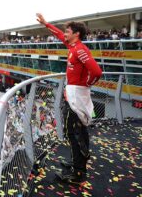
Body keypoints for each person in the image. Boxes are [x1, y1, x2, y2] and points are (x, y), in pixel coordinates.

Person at [36, 13, 102, 183]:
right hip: (73, 95)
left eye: (68, 31)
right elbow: (58, 34)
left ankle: (78, 174)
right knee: (74, 132)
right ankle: (76, 163)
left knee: (75, 134)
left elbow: (96, 72)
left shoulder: (80, 49)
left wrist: (85, 85)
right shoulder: (73, 46)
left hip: (77, 97)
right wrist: (46, 23)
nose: (64, 34)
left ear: (76, 34)